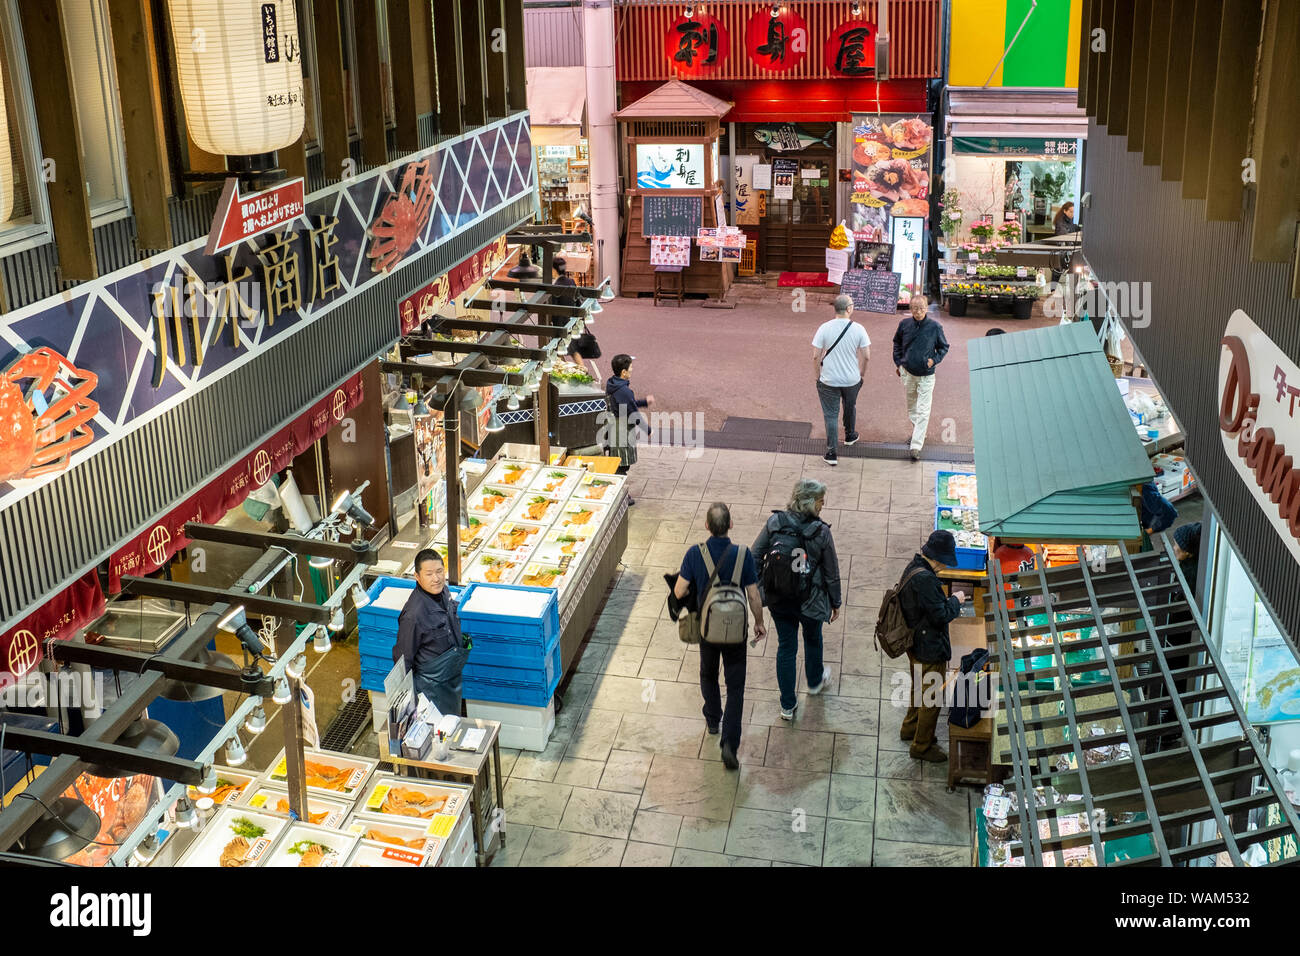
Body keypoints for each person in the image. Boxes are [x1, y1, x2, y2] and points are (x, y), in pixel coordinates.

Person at [672, 502, 766, 770]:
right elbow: (753, 595)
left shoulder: (694, 554)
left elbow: (679, 592)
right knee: (735, 687)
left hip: (708, 631)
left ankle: (713, 719)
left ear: (707, 527)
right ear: (731, 525)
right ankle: (729, 744)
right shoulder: (743, 555)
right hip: (736, 633)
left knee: (708, 674)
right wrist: (759, 622)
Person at [752, 478, 842, 721]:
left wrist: (764, 589)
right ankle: (814, 682)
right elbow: (832, 572)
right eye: (822, 501)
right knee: (813, 639)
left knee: (786, 648)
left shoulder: (775, 522)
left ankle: (787, 706)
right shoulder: (821, 532)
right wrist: (836, 602)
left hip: (780, 600)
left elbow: (754, 556)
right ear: (811, 503)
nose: (824, 505)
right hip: (810, 600)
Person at [897, 531, 967, 761]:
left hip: (915, 643)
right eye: (944, 562)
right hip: (928, 647)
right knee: (932, 698)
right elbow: (940, 615)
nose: (944, 566)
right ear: (937, 558)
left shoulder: (914, 567)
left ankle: (909, 728)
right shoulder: (926, 579)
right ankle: (922, 746)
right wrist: (956, 600)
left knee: (918, 689)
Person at [393, 549, 468, 719]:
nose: (436, 578)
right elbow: (403, 659)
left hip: (450, 679)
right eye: (429, 574)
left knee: (452, 724)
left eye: (439, 572)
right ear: (417, 577)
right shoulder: (414, 615)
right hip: (430, 689)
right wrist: (407, 701)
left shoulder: (444, 592)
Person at [812, 294, 871, 466]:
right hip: (852, 379)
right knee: (850, 405)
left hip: (828, 379)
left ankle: (831, 453)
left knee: (831, 415)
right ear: (848, 309)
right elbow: (867, 356)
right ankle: (850, 435)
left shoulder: (824, 328)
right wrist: (862, 374)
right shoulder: (859, 329)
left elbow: (815, 356)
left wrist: (817, 376)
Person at [892, 294, 950, 461]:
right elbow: (896, 343)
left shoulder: (935, 327)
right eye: (915, 308)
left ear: (927, 308)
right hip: (908, 372)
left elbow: (944, 347)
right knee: (912, 407)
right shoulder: (904, 324)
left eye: (922, 308)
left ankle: (916, 445)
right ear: (910, 309)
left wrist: (934, 360)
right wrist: (899, 363)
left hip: (926, 375)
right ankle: (920, 432)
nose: (918, 312)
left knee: (923, 410)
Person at [604, 354, 655, 499]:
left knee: (619, 462)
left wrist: (644, 402)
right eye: (630, 367)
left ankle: (619, 493)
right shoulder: (623, 390)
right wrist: (648, 430)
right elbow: (633, 412)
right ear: (624, 372)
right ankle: (620, 496)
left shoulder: (613, 384)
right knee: (621, 464)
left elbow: (628, 404)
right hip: (622, 432)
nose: (632, 369)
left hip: (615, 429)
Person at [1173, 522, 1202, 600]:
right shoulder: (1188, 560)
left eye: (1176, 545)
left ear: (1187, 552)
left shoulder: (1192, 574)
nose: (1174, 548)